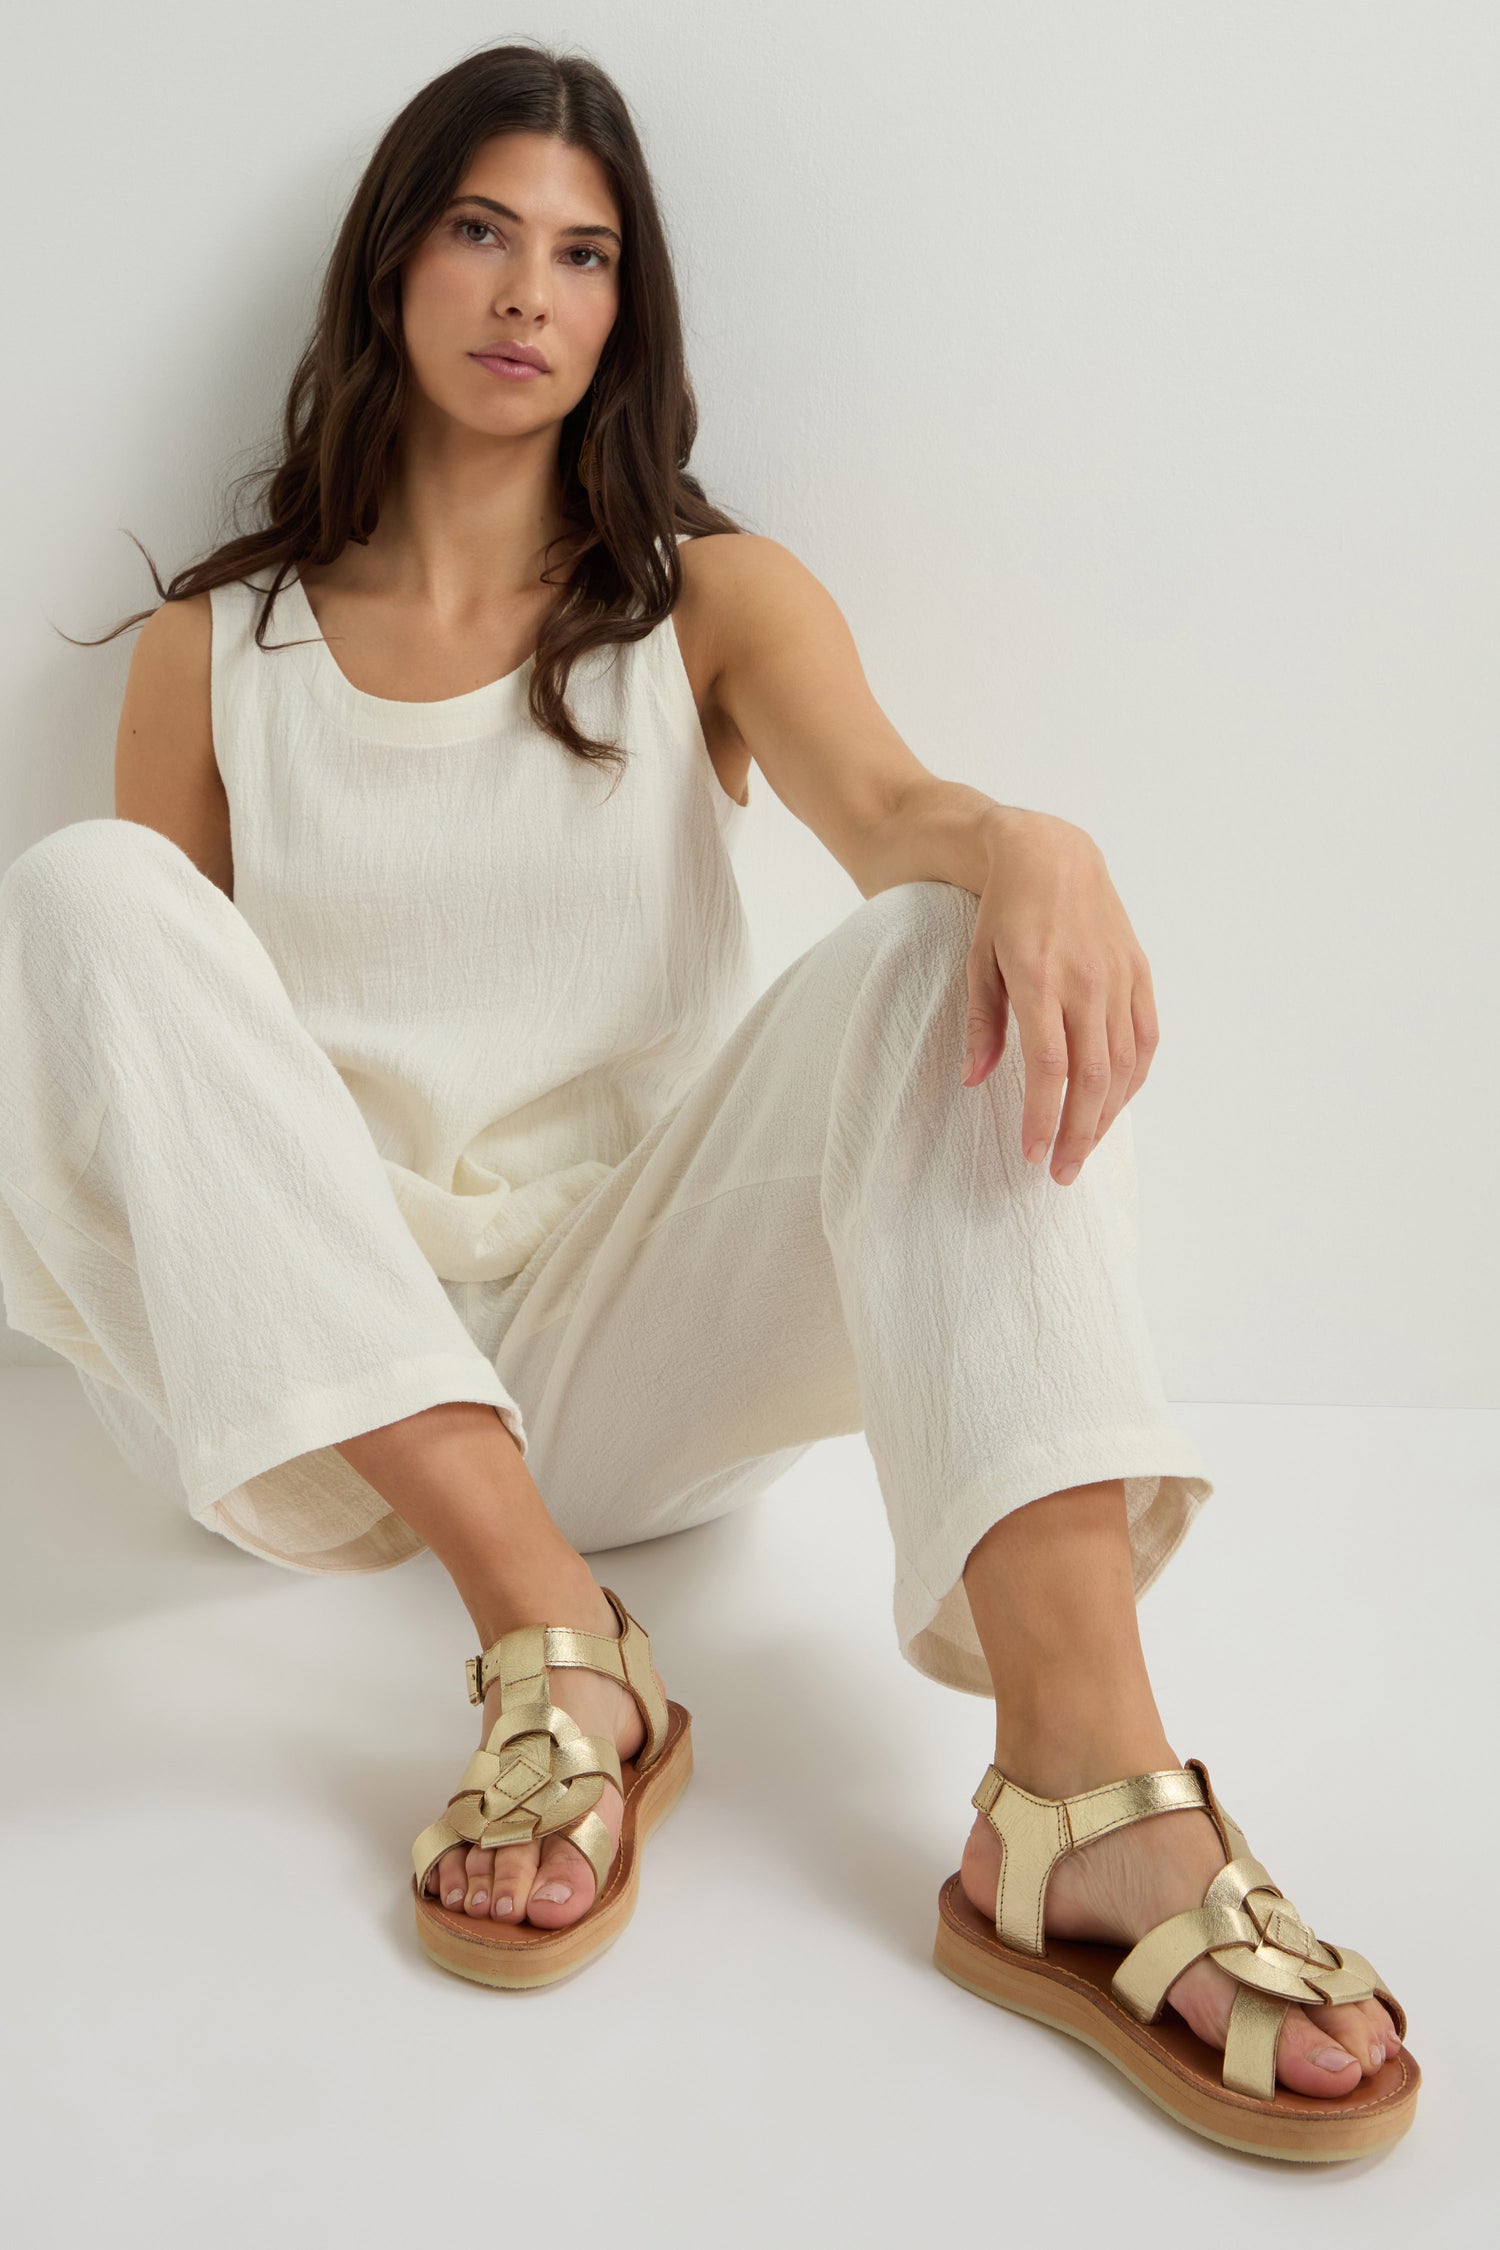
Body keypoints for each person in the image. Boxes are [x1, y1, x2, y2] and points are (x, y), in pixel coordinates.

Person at [0, 40, 1412, 2159]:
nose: (527, 292)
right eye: (482, 228)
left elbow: (890, 812)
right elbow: (162, 1075)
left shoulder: (704, 599)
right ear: (394, 262)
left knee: (951, 941)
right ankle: (549, 1630)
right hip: (328, 1384)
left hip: (618, 1342)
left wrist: (1028, 838)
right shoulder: (218, 652)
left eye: (583, 254)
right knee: (87, 896)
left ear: (623, 314)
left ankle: (1077, 1796)